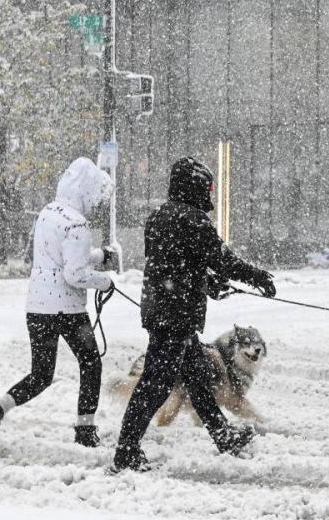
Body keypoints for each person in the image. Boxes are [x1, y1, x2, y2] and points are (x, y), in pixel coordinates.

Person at [112, 157, 276, 472]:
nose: (209, 194)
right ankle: (125, 453)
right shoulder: (193, 219)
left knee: (197, 378)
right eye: (206, 187)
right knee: (155, 385)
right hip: (176, 316)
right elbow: (221, 259)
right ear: (195, 185)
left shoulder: (159, 216)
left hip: (162, 310)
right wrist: (257, 277)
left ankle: (223, 435)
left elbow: (175, 264)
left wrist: (208, 283)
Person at [0, 157, 116, 458]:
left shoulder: (48, 213)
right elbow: (73, 274)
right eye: (96, 195)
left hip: (37, 306)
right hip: (67, 310)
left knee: (40, 375)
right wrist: (105, 282)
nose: (96, 203)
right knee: (91, 364)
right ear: (86, 189)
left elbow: (63, 256)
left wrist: (99, 256)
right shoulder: (78, 222)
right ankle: (85, 430)